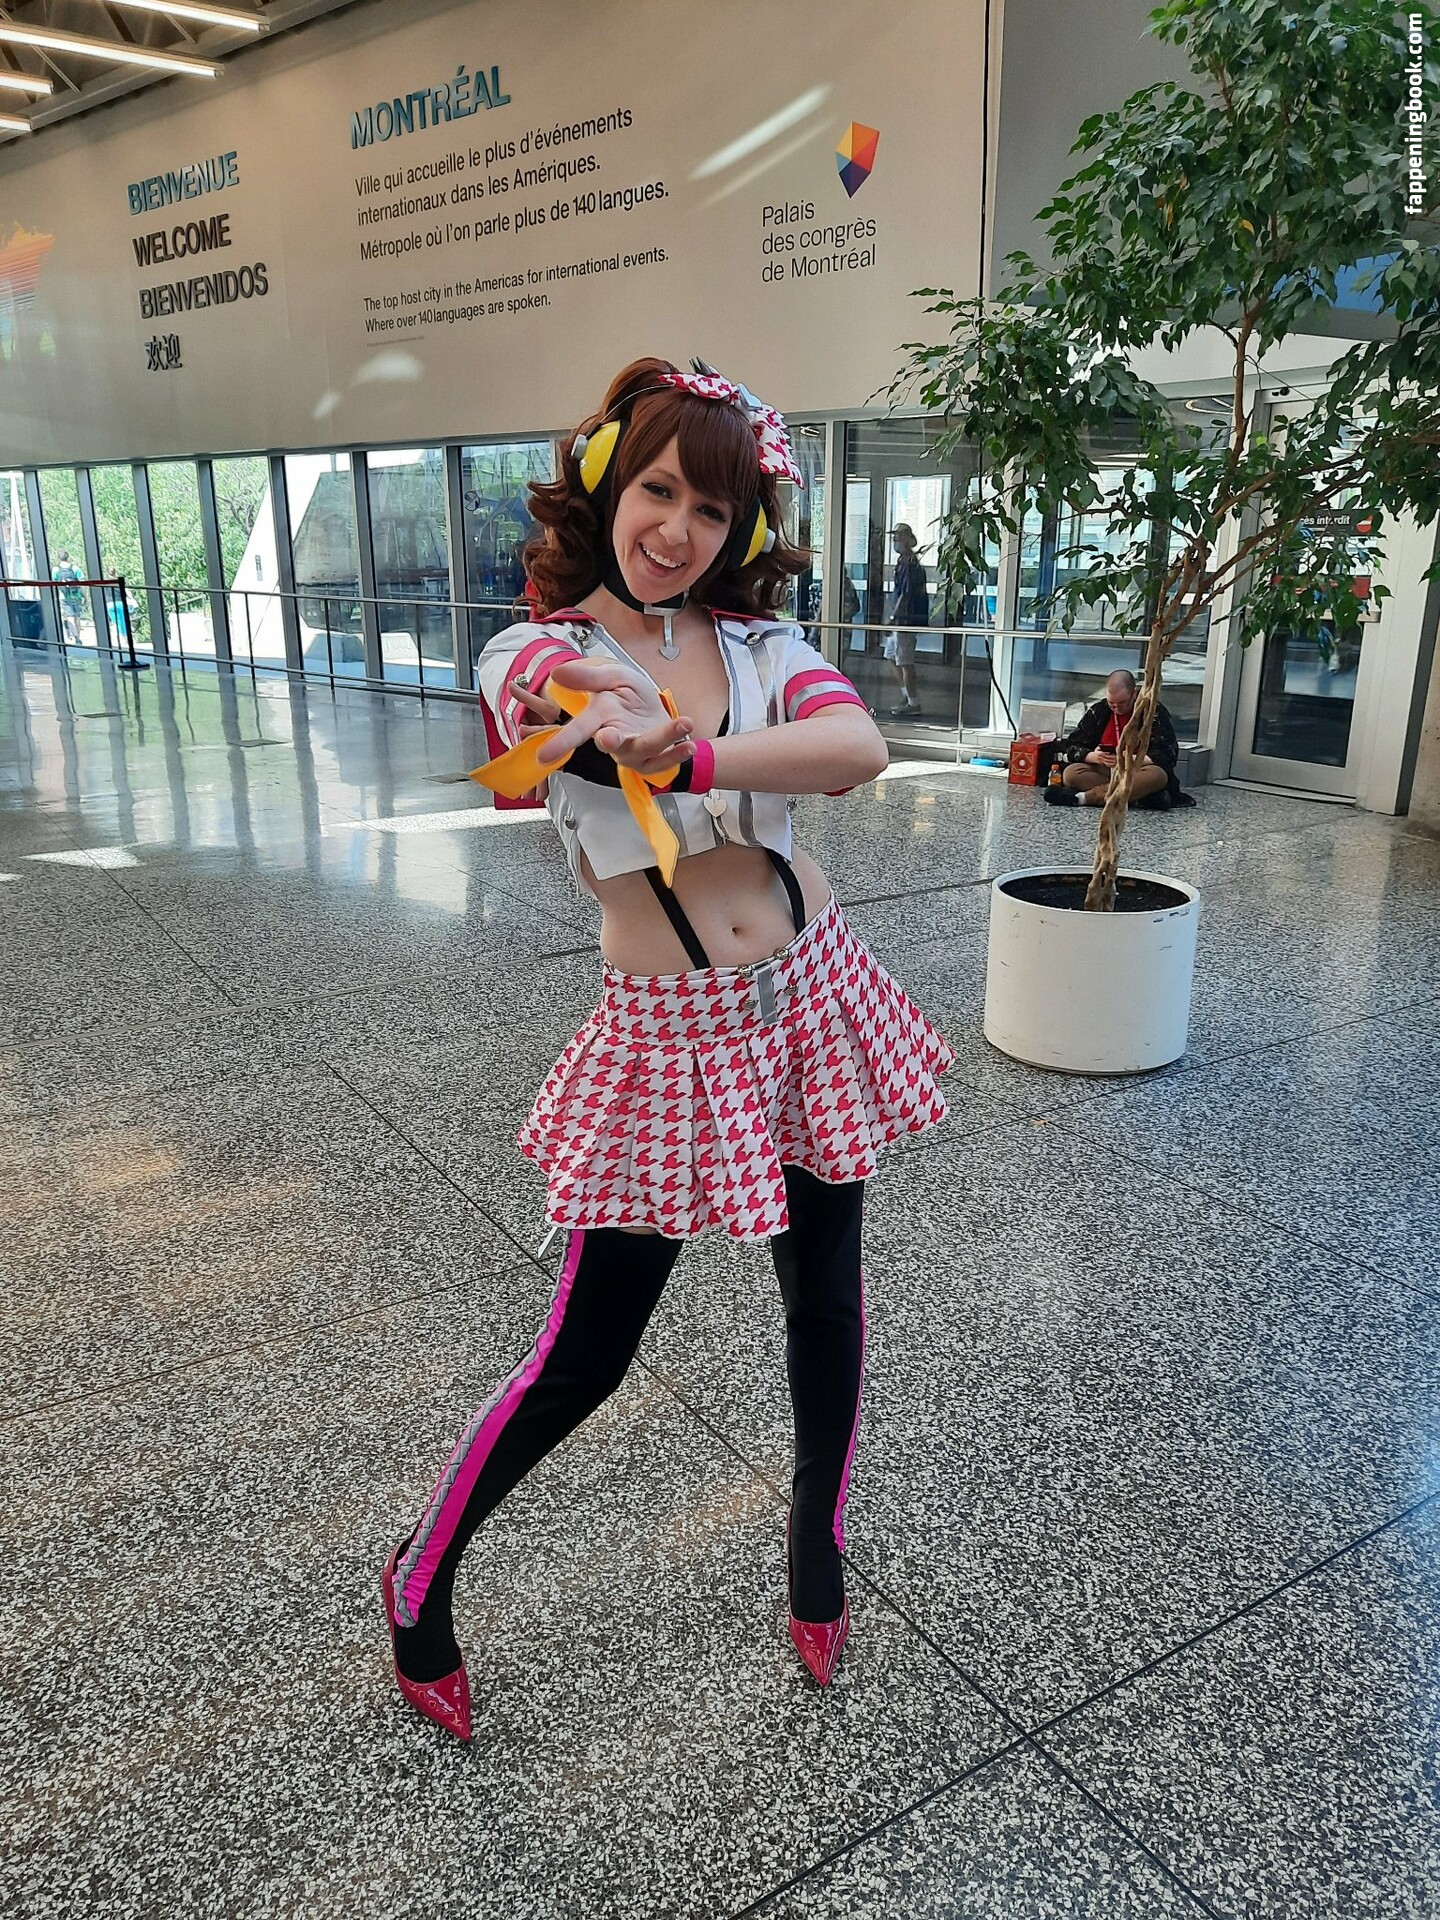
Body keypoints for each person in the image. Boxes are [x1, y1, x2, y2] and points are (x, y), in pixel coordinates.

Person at [380, 357, 955, 1741]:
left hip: (812, 997)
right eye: (656, 491)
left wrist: (690, 752)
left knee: (825, 1303)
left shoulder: (760, 645)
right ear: (605, 488)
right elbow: (549, 702)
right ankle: (419, 1575)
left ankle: (816, 1553)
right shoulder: (527, 649)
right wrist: (607, 705)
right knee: (588, 1353)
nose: (678, 530)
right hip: (670, 1039)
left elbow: (856, 746)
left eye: (710, 508)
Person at [1044, 668, 1185, 808]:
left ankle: (1085, 798)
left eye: (1122, 703)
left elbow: (1167, 755)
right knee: (1071, 774)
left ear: (1134, 694)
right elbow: (1072, 745)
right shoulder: (1099, 710)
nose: (1117, 708)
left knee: (1157, 776)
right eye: (1112, 704)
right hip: (1106, 769)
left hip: (1138, 770)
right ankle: (1138, 797)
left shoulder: (1153, 712)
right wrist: (1094, 756)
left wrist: (1128, 759)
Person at [884, 523, 929, 718]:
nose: (895, 540)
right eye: (894, 536)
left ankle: (913, 703)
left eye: (899, 536)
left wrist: (894, 617)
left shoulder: (911, 564)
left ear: (908, 539)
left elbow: (906, 595)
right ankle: (906, 694)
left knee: (905, 661)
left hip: (906, 620)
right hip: (900, 620)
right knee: (891, 655)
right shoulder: (902, 562)